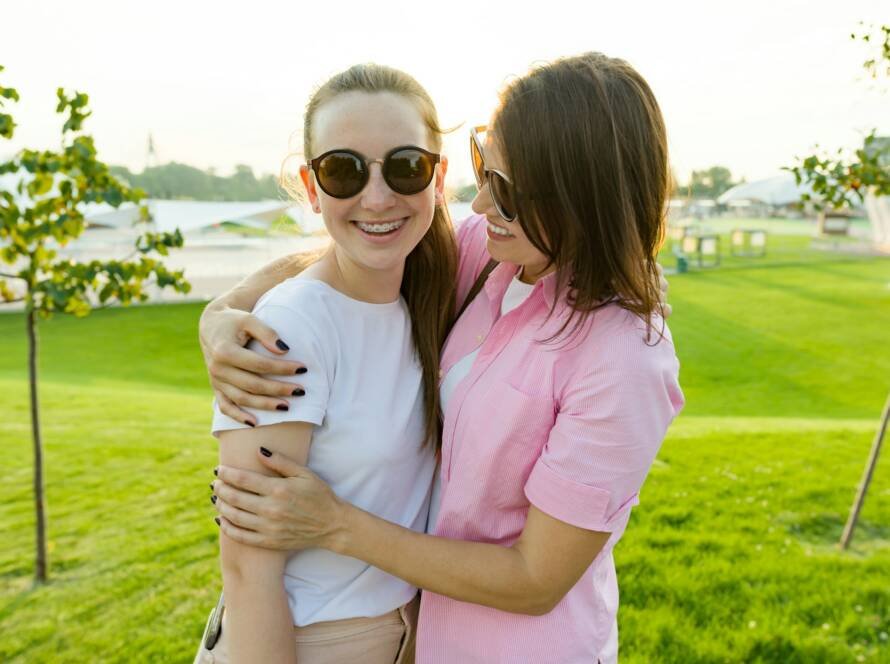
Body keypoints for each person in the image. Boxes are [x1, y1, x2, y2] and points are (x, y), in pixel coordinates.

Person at [204, 52, 684, 663]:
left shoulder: (623, 360)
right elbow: (365, 245)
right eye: (487, 170)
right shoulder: (495, 254)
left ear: (582, 201)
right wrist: (224, 310)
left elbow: (536, 580)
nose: (481, 207)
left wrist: (336, 525)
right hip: (418, 637)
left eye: (506, 192)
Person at [195, 63, 458, 664]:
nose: (377, 196)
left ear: (437, 178)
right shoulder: (288, 330)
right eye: (343, 170)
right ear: (312, 188)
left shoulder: (424, 287)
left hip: (402, 636)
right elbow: (248, 568)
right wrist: (225, 310)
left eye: (405, 165)